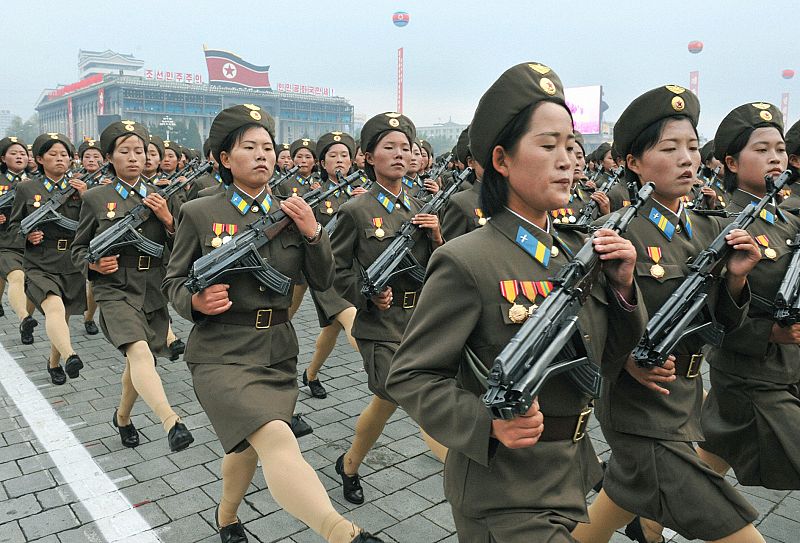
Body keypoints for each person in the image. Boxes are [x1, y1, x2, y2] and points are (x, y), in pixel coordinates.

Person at [387, 61, 646, 542]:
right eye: (548, 146)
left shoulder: (578, 253)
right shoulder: (466, 260)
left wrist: (625, 289)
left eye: (571, 146)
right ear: (502, 160)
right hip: (502, 491)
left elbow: (610, 361)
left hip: (568, 475)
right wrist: (486, 422)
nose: (568, 159)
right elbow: (410, 375)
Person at [163, 104, 383, 543]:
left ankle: (226, 516)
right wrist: (197, 301)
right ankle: (341, 532)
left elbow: (324, 281)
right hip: (221, 351)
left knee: (248, 444)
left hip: (278, 349)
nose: (262, 154)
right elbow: (173, 282)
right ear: (225, 159)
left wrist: (313, 234)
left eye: (268, 146)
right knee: (277, 436)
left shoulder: (294, 212)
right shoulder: (200, 212)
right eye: (249, 147)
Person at [571, 86, 764, 543]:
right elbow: (583, 325)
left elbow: (723, 327)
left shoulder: (710, 228)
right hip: (638, 409)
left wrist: (736, 279)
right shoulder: (612, 234)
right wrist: (624, 361)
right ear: (633, 162)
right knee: (735, 529)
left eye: (693, 148)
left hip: (685, 399)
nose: (687, 159)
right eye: (670, 148)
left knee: (619, 498)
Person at [329, 111, 448, 506]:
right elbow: (335, 270)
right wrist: (366, 293)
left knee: (385, 402)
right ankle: (461, 463)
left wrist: (436, 237)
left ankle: (348, 464)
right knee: (415, 397)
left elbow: (442, 269)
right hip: (380, 325)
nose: (401, 155)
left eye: (407, 148)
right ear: (368, 157)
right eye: (390, 147)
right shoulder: (355, 211)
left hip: (420, 321)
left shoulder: (423, 207)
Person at [71, 120, 193, 452]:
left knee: (136, 364)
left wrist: (168, 219)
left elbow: (182, 246)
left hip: (152, 289)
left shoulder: (161, 195)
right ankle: (172, 421)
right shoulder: (96, 198)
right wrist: (93, 264)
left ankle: (122, 418)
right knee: (141, 354)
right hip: (114, 288)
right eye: (124, 151)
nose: (134, 157)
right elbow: (77, 250)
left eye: (139, 151)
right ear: (109, 157)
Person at [697, 103, 800, 492]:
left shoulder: (786, 220)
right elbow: (708, 317)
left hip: (789, 369)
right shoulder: (722, 226)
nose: (775, 158)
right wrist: (769, 333)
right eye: (761, 149)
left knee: (713, 458)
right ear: (731, 163)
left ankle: (648, 523)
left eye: (779, 149)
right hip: (753, 377)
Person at [9, 133, 87, 385]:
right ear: (40, 159)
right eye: (52, 155)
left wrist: (87, 197)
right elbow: (12, 227)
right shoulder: (26, 188)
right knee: (54, 306)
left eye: (64, 155)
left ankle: (54, 362)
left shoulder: (80, 188)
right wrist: (27, 236)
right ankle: (70, 355)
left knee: (61, 318)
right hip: (40, 261)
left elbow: (93, 225)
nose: (59, 159)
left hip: (71, 261)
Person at [302, 131, 363, 399]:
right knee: (352, 319)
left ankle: (310, 374)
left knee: (331, 329)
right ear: (322, 163)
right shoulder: (314, 196)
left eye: (344, 156)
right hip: (325, 272)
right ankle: (385, 371)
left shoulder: (365, 193)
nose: (339, 161)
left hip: (353, 273)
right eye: (333, 156)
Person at [0, 136, 36, 338]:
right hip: (5, 241)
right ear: (3, 158)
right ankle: (23, 317)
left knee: (30, 283)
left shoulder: (37, 181)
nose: (19, 156)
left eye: (22, 153)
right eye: (13, 153)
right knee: (17, 276)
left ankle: (26, 324)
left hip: (31, 242)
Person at [77, 138, 104, 335]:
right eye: (87, 156)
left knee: (93, 283)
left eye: (96, 156)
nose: (92, 160)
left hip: (100, 235)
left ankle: (89, 317)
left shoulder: (109, 181)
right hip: (78, 233)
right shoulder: (73, 179)